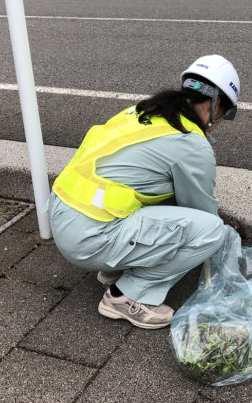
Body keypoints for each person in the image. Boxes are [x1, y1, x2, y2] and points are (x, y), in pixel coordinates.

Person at [48, 55, 240, 329]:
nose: (223, 120)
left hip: (63, 213)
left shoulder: (143, 112)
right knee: (211, 232)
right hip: (88, 237)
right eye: (227, 113)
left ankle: (114, 268)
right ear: (216, 102)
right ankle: (125, 296)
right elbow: (200, 212)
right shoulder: (191, 143)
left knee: (158, 196)